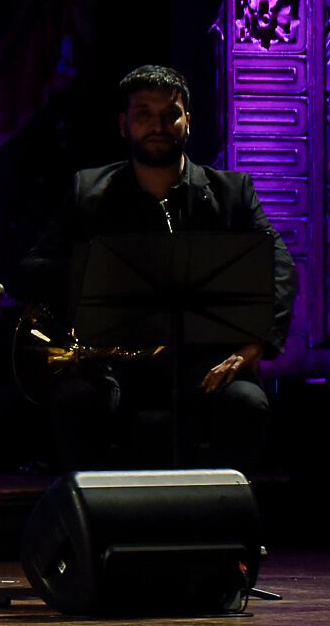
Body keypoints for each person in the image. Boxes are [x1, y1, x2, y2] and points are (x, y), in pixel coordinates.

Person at [19, 64, 294, 473]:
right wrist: (101, 275)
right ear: (123, 125)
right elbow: (30, 270)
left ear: (189, 122)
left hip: (203, 361)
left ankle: (219, 527)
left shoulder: (232, 192)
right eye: (144, 114)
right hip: (112, 366)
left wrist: (257, 344)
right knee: (75, 401)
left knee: (247, 403)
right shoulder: (88, 191)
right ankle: (97, 530)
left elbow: (281, 266)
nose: (159, 125)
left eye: (171, 114)